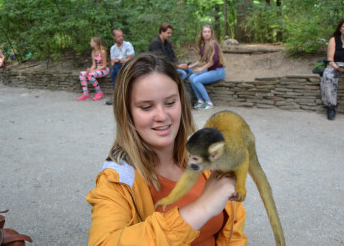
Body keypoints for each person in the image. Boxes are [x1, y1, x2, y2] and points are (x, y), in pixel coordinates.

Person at [86, 52, 247, 245]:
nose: (162, 115)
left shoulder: (206, 158)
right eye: (146, 107)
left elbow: (234, 228)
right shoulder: (117, 181)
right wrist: (201, 208)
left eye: (170, 103)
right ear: (126, 113)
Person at [188, 25, 226, 110]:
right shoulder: (205, 45)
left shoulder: (213, 44)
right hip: (211, 71)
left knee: (196, 80)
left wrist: (201, 69)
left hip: (218, 71)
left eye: (208, 32)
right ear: (201, 33)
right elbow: (201, 60)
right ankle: (200, 100)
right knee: (191, 77)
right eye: (204, 32)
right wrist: (191, 66)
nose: (206, 33)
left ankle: (208, 102)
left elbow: (213, 61)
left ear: (211, 33)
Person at [105, 29, 135, 106]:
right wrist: (116, 61)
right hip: (118, 67)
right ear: (114, 37)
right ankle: (120, 94)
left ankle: (117, 96)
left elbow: (130, 60)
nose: (121, 38)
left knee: (114, 71)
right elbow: (112, 62)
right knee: (114, 70)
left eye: (121, 36)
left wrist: (121, 60)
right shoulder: (113, 48)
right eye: (118, 36)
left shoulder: (128, 45)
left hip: (128, 66)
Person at [77, 37, 110, 101]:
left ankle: (100, 93)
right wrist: (89, 70)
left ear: (96, 43)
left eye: (92, 42)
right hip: (96, 69)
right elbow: (94, 64)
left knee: (90, 75)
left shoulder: (102, 51)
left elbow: (104, 65)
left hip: (104, 70)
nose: (90, 43)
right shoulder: (93, 52)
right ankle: (85, 94)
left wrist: (93, 71)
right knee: (82, 74)